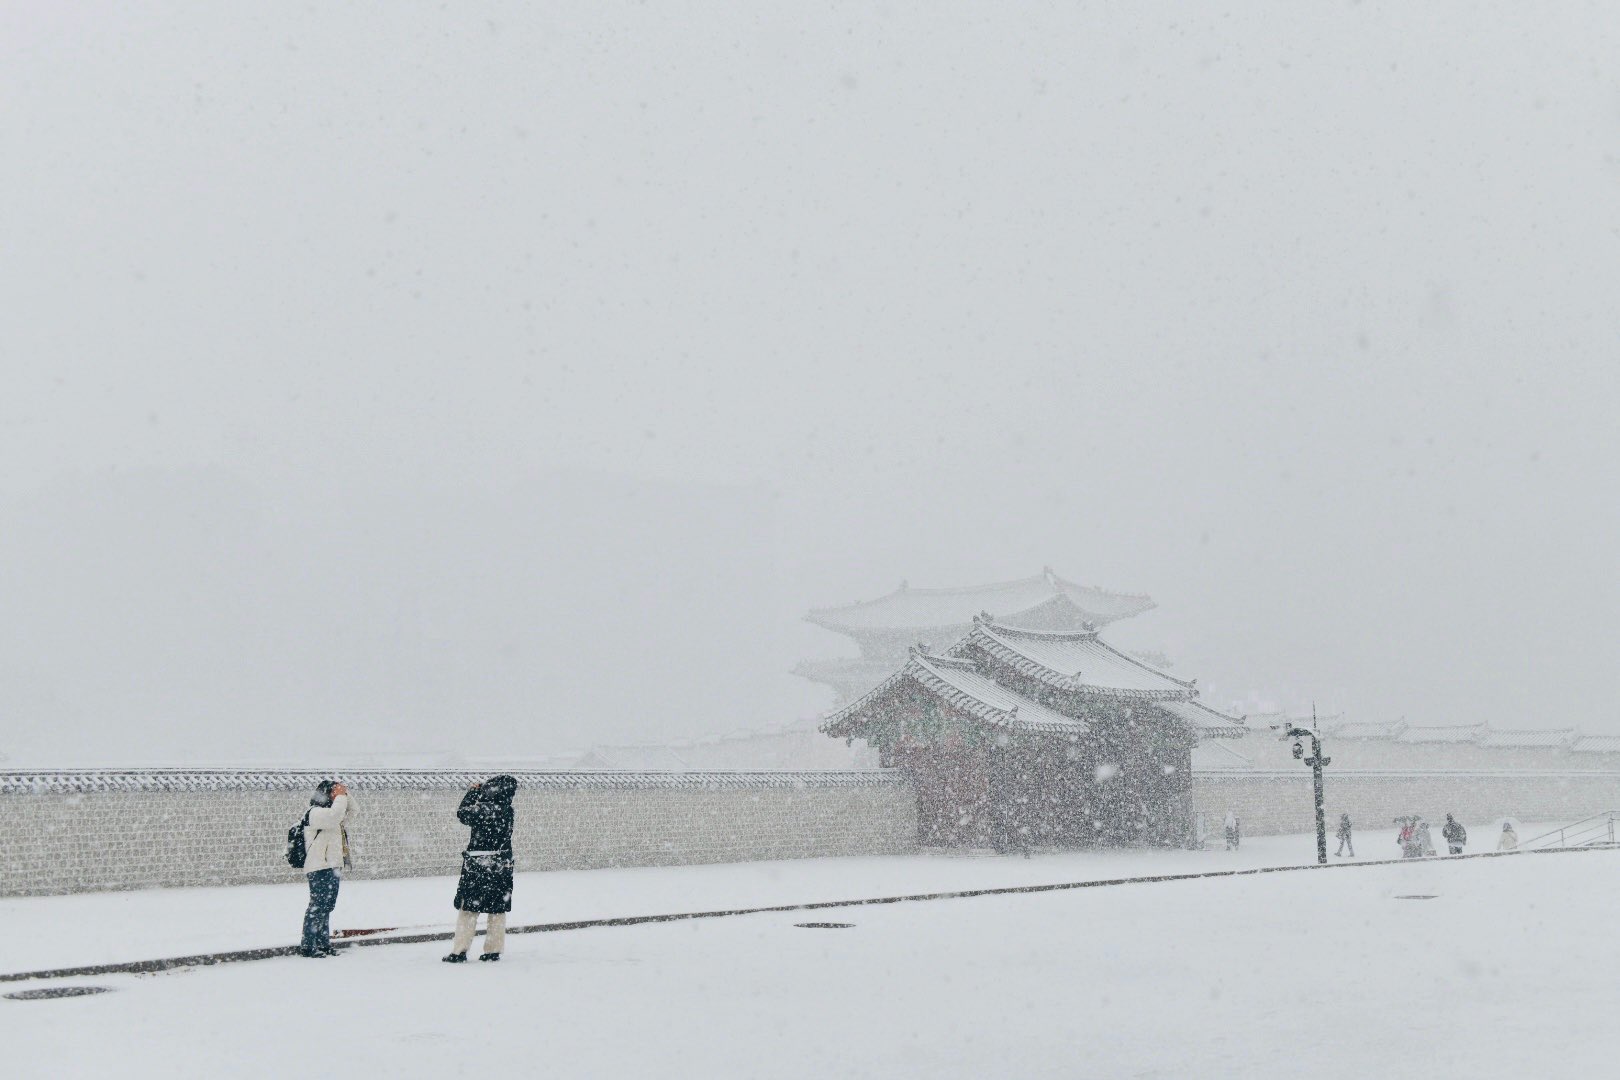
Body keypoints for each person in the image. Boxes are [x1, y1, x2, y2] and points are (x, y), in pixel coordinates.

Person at [444, 775, 518, 963]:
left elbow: (462, 813)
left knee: (468, 909)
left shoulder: (483, 809)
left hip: (478, 867)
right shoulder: (508, 810)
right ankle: (493, 950)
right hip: (501, 867)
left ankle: (460, 950)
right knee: (497, 910)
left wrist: (473, 792)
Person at [300, 780, 356, 958]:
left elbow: (354, 811)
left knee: (326, 907)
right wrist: (340, 796)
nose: (337, 795)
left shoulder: (335, 813)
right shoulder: (314, 813)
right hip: (319, 866)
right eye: (334, 792)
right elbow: (334, 815)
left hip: (333, 865)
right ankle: (309, 946)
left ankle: (323, 944)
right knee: (317, 906)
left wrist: (345, 794)